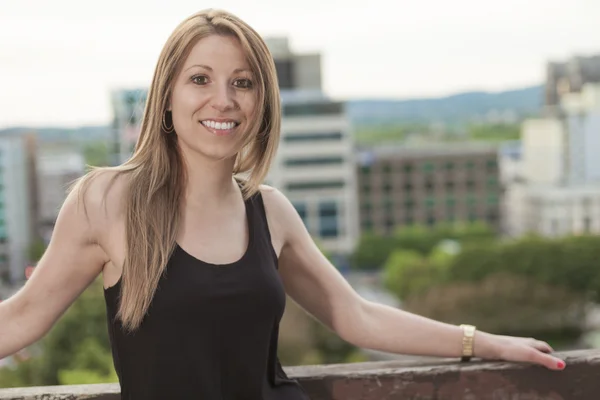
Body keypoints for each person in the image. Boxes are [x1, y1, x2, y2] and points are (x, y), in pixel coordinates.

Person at [0, 8, 565, 400]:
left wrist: (485, 341)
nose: (223, 99)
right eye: (201, 79)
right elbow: (23, 318)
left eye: (243, 83)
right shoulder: (107, 201)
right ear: (166, 98)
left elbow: (357, 316)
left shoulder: (268, 212)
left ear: (262, 104)